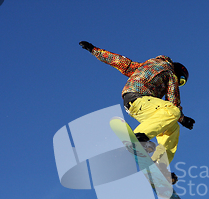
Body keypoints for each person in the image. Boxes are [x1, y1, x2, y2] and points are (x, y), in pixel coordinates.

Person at [79, 41, 195, 184]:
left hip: (137, 103)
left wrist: (95, 51)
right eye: (182, 81)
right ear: (178, 72)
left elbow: (122, 63)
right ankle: (138, 139)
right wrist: (183, 119)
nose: (179, 83)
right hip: (139, 98)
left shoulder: (146, 65)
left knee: (172, 129)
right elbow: (173, 100)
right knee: (173, 112)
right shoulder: (170, 73)